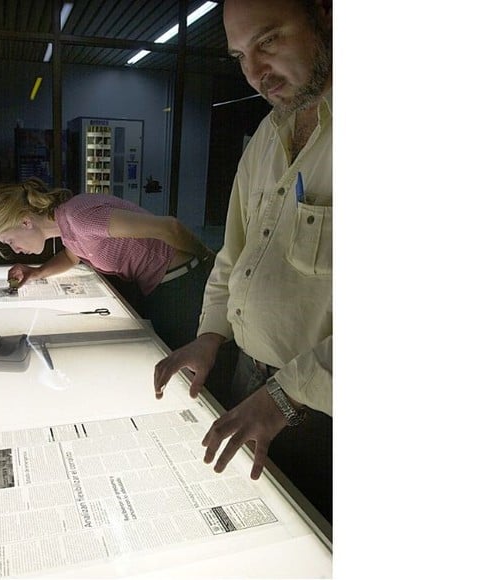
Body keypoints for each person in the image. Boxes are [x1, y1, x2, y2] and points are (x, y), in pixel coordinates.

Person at [153, 0, 333, 519]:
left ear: (326, 16)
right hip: (247, 380)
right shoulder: (268, 136)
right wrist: (211, 335)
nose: (254, 73)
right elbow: (234, 255)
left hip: (320, 410)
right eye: (239, 56)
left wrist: (286, 396)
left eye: (268, 40)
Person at [0, 177, 214, 350]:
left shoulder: (79, 218)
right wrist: (37, 272)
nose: (16, 250)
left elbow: (169, 228)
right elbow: (71, 256)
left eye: (10, 241)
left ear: (25, 222)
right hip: (160, 286)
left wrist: (208, 257)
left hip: (180, 284)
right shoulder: (67, 226)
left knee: (182, 366)